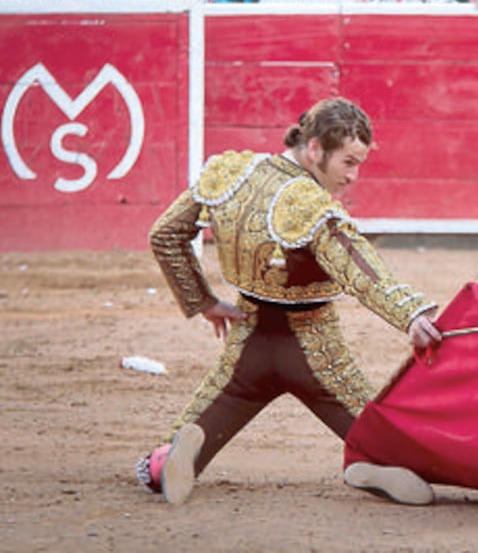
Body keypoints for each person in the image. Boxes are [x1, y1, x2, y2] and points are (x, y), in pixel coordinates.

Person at [134, 97, 442, 506]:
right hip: (315, 352)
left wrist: (203, 300)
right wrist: (410, 315)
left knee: (171, 456)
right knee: (393, 448)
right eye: (348, 162)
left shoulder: (231, 174)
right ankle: (371, 459)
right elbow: (358, 267)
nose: (353, 176)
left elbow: (165, 235)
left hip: (246, 347)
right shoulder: (310, 205)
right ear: (314, 149)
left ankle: (169, 459)